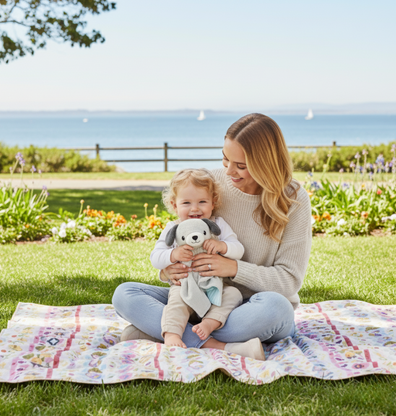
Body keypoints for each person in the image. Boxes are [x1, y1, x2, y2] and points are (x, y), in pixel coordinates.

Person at [112, 113, 312, 358]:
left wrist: (233, 268)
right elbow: (183, 234)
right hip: (199, 298)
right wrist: (168, 271)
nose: (229, 172)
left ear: (265, 164)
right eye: (225, 159)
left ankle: (162, 332)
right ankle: (217, 346)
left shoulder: (293, 200)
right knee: (125, 294)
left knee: (277, 308)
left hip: (250, 308)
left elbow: (289, 281)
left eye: (241, 166)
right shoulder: (212, 183)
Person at [151, 168, 255, 355]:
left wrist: (222, 246)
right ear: (175, 206)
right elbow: (155, 257)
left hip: (214, 286)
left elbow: (238, 249)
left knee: (233, 294)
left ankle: (208, 324)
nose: (195, 208)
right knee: (175, 301)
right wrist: (173, 255)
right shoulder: (172, 228)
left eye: (202, 202)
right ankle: (172, 334)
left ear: (213, 203)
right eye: (186, 203)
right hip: (185, 286)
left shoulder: (218, 225)